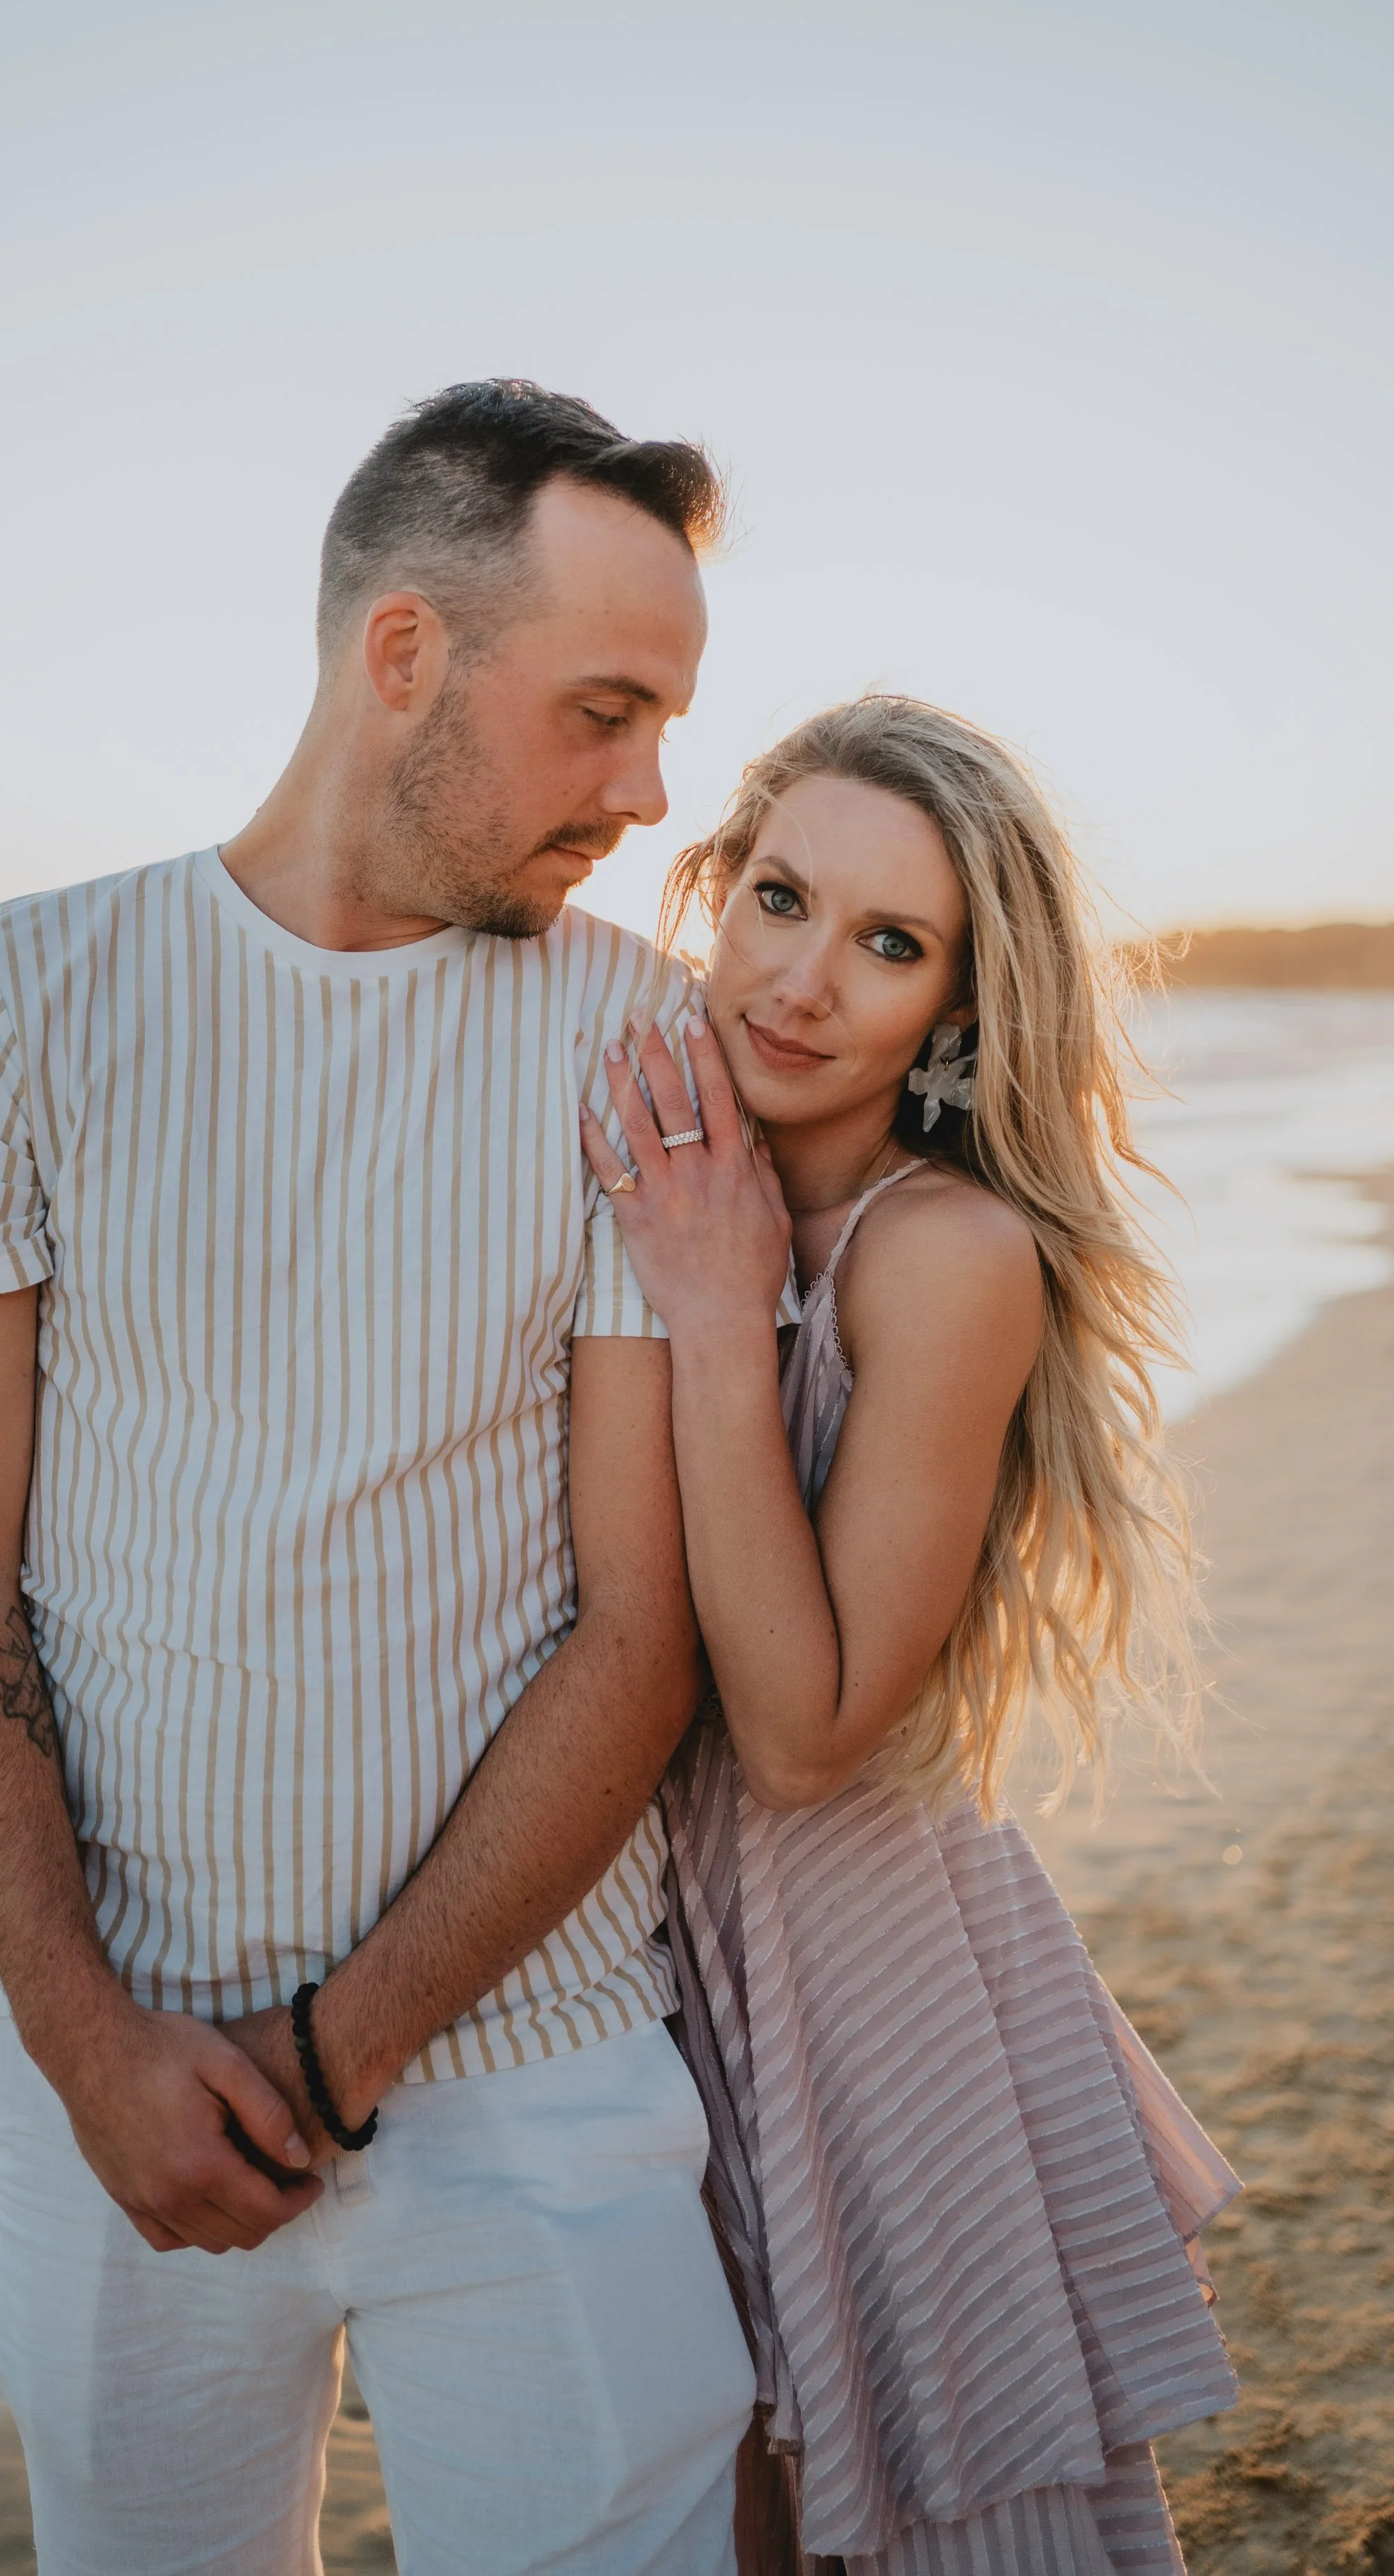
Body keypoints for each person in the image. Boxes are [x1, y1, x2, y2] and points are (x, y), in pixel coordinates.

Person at [0, 380, 769, 2576]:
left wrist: (341, 2049)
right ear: (406, 654)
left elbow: (638, 1628)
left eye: (667, 726)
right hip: (103, 2082)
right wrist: (91, 2042)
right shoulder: (20, 998)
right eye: (605, 712)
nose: (649, 794)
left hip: (531, 2072)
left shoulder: (632, 1038)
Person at [576, 695, 1238, 2575]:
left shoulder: (941, 1253)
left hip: (860, 1972)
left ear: (956, 1003)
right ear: (711, 888)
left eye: (888, 943)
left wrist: (717, 1314)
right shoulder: (629, 1138)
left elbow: (801, 1734)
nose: (799, 982)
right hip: (626, 1954)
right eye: (777, 898)